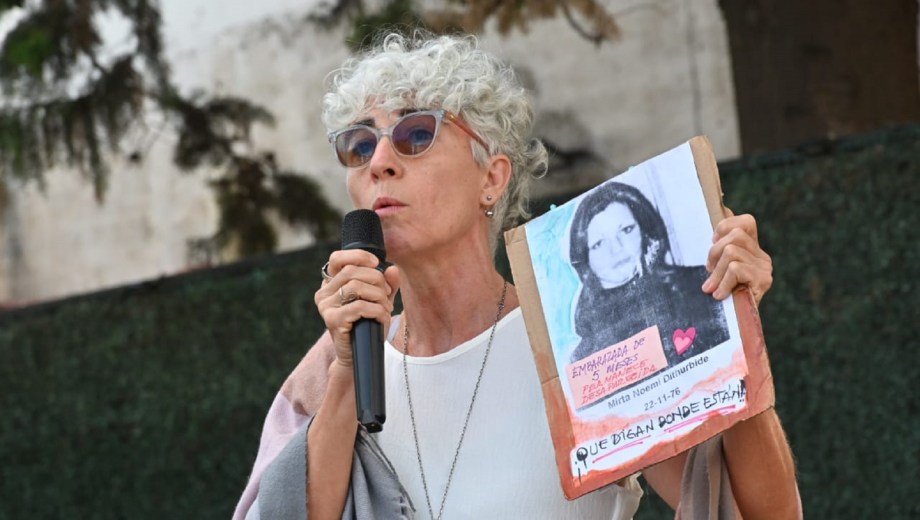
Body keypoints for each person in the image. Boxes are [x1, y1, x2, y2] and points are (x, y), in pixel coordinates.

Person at [233, 32, 800, 520]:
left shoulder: (579, 341)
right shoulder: (333, 365)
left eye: (415, 134)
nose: (380, 160)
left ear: (492, 178)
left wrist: (736, 332)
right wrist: (346, 381)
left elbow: (757, 514)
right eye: (358, 145)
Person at [568, 181, 730, 367]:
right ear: (585, 261)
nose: (617, 249)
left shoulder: (703, 286)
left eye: (626, 230)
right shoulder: (584, 355)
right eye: (599, 244)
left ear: (645, 232)